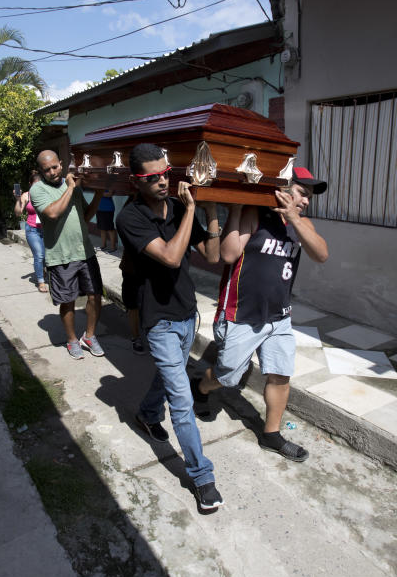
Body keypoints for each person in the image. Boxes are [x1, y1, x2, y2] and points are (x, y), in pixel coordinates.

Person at [193, 167, 329, 462]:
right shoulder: (256, 214)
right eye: (302, 193)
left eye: (309, 197)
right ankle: (201, 385)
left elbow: (322, 254)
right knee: (228, 378)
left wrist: (294, 217)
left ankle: (271, 434)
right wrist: (238, 207)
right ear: (283, 188)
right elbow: (228, 255)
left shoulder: (301, 225)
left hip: (279, 317)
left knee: (280, 375)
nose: (306, 201)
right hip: (241, 315)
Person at [115, 143, 223, 511]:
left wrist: (209, 211)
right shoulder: (130, 218)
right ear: (135, 181)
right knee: (181, 398)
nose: (162, 180)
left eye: (165, 173)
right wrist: (192, 208)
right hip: (158, 320)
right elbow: (172, 257)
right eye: (152, 177)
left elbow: (212, 255)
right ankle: (202, 477)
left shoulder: (178, 207)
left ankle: (146, 414)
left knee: (169, 375)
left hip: (187, 313)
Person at [29, 150, 105, 358]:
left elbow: (87, 215)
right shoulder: (38, 190)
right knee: (68, 300)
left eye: (55, 167)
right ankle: (72, 340)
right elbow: (52, 213)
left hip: (85, 251)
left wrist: (98, 195)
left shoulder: (73, 188)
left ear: (61, 164)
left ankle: (89, 336)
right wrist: (71, 187)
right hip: (60, 255)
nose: (53, 172)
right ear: (41, 172)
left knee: (95, 296)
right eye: (47, 170)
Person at [15, 172, 48, 293]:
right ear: (30, 185)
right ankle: (41, 281)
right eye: (35, 185)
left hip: (47, 229)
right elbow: (18, 213)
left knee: (46, 255)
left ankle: (43, 271)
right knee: (39, 255)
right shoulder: (26, 196)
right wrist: (18, 199)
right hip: (32, 229)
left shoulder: (47, 194)